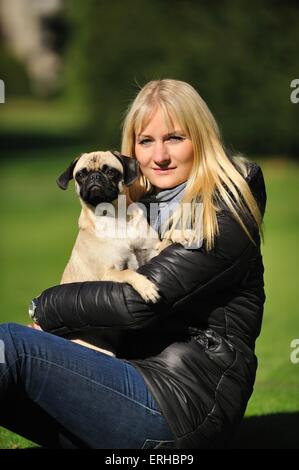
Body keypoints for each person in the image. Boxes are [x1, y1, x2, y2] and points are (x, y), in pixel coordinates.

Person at [0, 79, 266, 449]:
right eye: (146, 141)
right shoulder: (143, 208)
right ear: (132, 152)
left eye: (174, 138)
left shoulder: (220, 208)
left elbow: (135, 304)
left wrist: (45, 307)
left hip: (182, 402)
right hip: (127, 375)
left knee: (9, 345)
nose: (159, 156)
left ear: (202, 140)